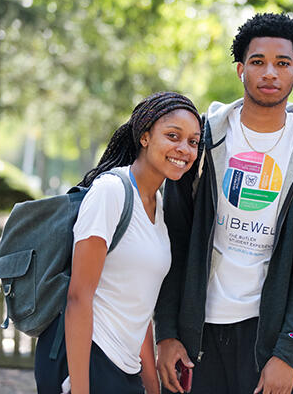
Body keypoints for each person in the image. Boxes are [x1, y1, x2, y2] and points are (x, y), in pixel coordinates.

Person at [154, 13, 293, 394]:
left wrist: (287, 351)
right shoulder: (202, 138)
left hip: (265, 335)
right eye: (258, 62)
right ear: (240, 70)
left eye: (282, 63)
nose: (270, 72)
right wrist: (167, 332)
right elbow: (174, 237)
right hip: (196, 331)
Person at [33, 92, 202, 394]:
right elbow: (78, 298)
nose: (184, 149)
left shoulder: (157, 204)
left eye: (193, 141)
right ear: (145, 137)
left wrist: (151, 386)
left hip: (124, 369)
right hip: (86, 361)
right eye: (173, 136)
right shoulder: (111, 192)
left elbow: (139, 307)